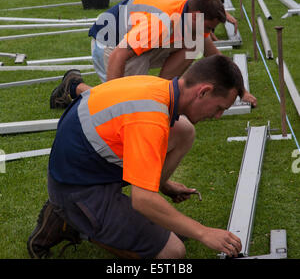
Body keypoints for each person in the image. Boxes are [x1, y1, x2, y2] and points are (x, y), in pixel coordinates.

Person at [28, 55, 244, 260]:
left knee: (184, 130)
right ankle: (72, 223)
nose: (218, 116)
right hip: (77, 189)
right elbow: (142, 200)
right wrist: (203, 232)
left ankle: (142, 194)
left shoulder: (162, 89)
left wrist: (163, 185)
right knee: (172, 252)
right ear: (203, 92)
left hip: (89, 165)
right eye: (219, 108)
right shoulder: (151, 119)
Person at [50, 0, 256, 108]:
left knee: (194, 44)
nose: (210, 33)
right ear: (196, 16)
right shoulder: (162, 21)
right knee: (126, 103)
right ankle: (74, 86)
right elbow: (118, 56)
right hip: (109, 44)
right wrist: (113, 100)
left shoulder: (191, 16)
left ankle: (160, 94)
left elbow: (217, 59)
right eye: (209, 27)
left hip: (134, 44)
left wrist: (241, 90)